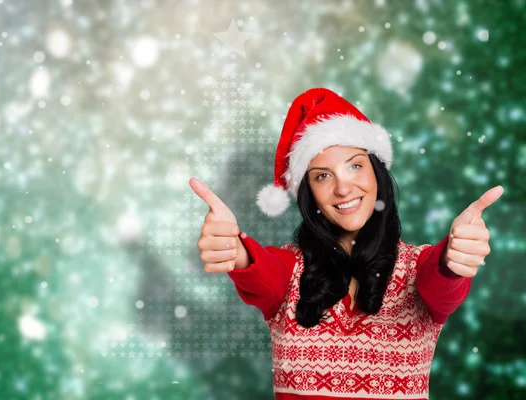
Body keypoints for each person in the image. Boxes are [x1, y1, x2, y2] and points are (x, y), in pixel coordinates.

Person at [189, 88, 503, 400]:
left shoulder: (417, 266)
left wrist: (454, 257)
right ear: (308, 194)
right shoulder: (290, 270)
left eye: (355, 166)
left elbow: (441, 282)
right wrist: (233, 248)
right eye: (322, 176)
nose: (342, 188)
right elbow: (261, 273)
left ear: (377, 173)